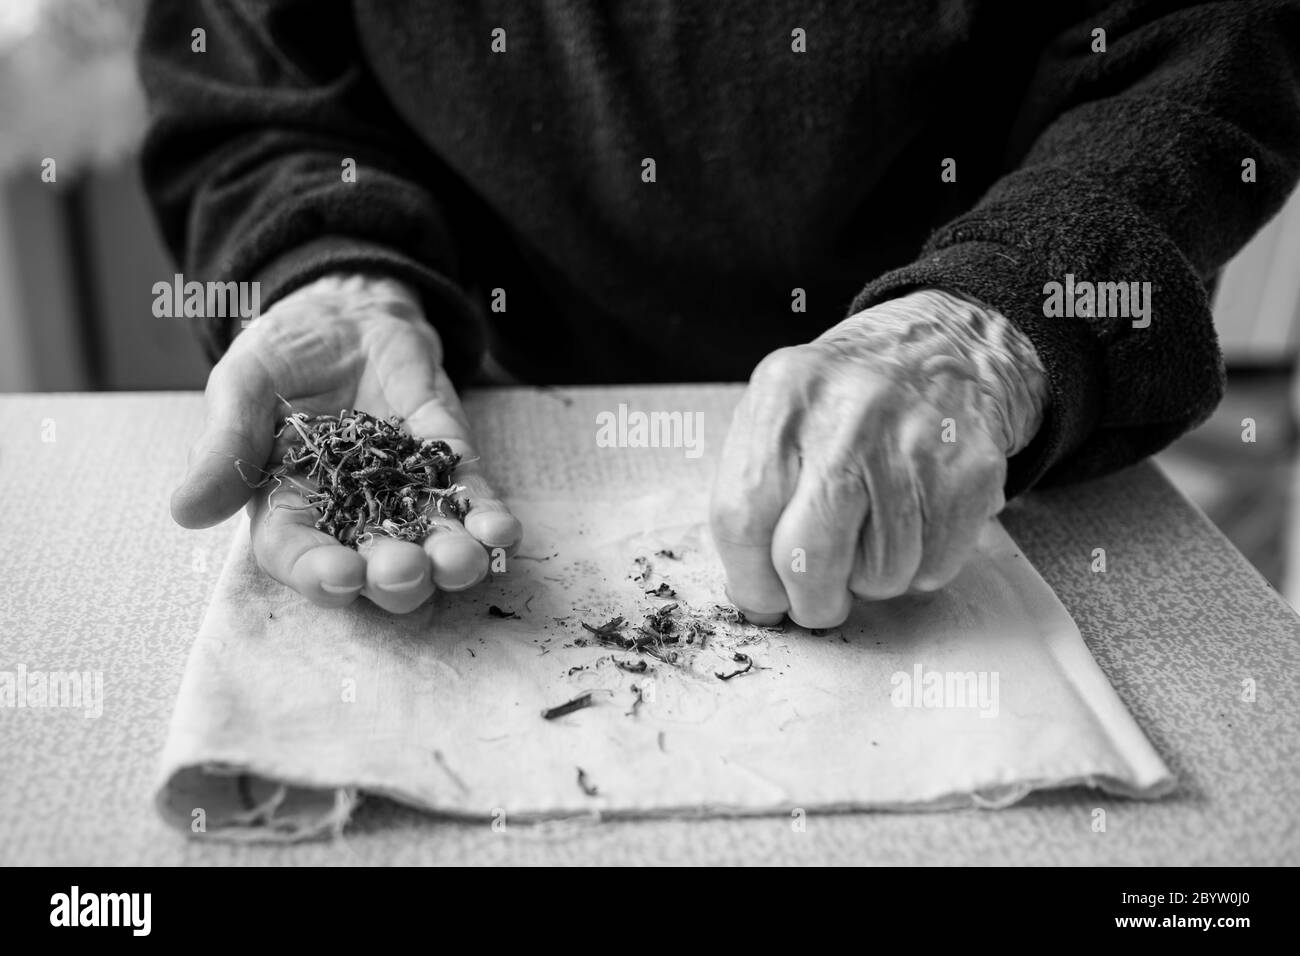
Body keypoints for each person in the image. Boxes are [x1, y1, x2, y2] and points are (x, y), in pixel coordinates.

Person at [138, 1, 1300, 626]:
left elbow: (1202, 34)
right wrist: (332, 264)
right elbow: (250, 79)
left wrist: (981, 325)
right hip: (483, 400)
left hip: (964, 440)